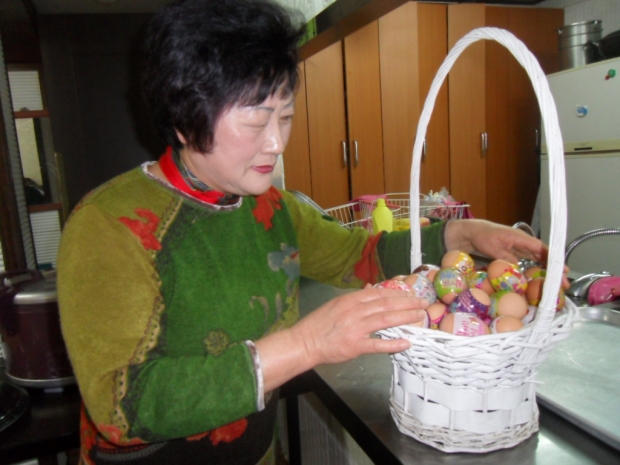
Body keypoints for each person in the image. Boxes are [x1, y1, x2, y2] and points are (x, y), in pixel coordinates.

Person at [56, 1, 567, 464]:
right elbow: (120, 408)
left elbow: (359, 256)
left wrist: (461, 236)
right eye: (256, 122)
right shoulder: (109, 225)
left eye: (285, 117)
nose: (276, 143)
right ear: (185, 121)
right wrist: (306, 345)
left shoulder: (272, 208)